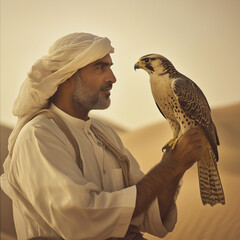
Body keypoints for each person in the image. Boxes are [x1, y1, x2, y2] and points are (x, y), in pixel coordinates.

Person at [1, 33, 203, 240]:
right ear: (67, 77)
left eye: (110, 67)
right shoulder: (38, 136)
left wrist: (176, 167)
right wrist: (168, 166)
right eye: (100, 68)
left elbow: (151, 215)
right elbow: (82, 221)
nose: (112, 78)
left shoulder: (105, 134)